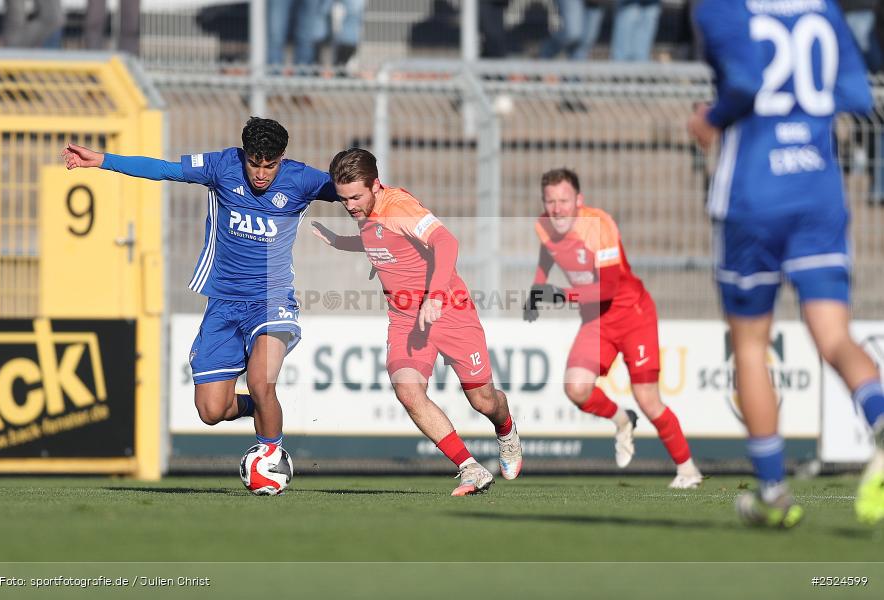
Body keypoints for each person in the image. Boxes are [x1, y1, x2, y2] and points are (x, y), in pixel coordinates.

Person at [689, 0, 884, 527]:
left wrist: (711, 118)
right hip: (818, 189)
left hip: (754, 194)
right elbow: (856, 93)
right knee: (835, 336)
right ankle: (881, 419)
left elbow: (747, 82)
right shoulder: (822, 8)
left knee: (751, 346)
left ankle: (773, 492)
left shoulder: (720, 8)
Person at [62, 117, 339, 467]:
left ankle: (272, 460)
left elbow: (354, 192)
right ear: (245, 156)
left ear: (282, 158)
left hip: (272, 301)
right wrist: (102, 160)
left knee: (260, 379)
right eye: (255, 163)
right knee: (211, 410)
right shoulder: (222, 165)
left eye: (270, 166)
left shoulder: (302, 179)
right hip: (223, 303)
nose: (261, 174)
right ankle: (262, 406)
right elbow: (164, 169)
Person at [311, 148, 522, 496]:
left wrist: (436, 296)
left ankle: (506, 429)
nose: (349, 205)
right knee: (408, 391)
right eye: (342, 197)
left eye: (355, 197)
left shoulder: (399, 207)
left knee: (483, 401)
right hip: (405, 317)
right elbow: (380, 242)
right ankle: (470, 468)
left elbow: (446, 240)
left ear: (376, 185)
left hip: (449, 308)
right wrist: (338, 241)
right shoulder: (366, 209)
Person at [523, 168, 702, 489]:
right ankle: (623, 420)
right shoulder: (543, 226)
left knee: (647, 398)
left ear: (579, 200)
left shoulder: (599, 225)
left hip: (632, 315)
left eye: (564, 200)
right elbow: (549, 255)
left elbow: (606, 290)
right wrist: (538, 287)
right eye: (550, 201)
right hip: (597, 319)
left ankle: (688, 469)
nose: (557, 208)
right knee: (576, 388)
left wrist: (560, 295)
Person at [540, 0, 608, 60]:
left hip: (595, 3)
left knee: (585, 41)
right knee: (572, 33)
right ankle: (545, 54)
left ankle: (575, 74)